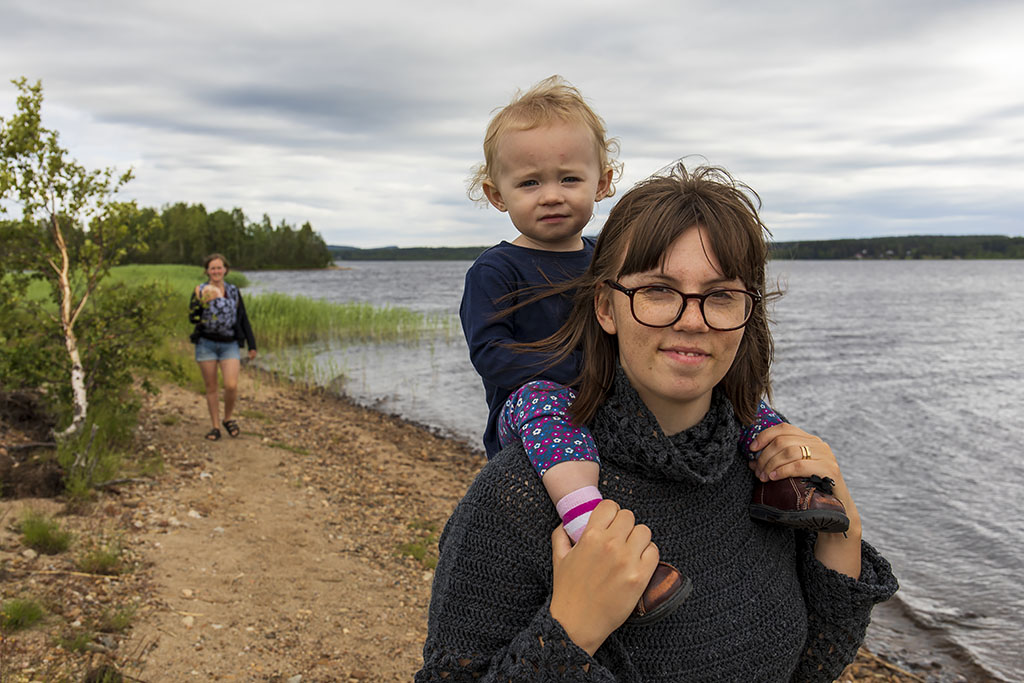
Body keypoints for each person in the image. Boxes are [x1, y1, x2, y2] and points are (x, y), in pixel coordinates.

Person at [419, 163, 897, 681]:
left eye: (720, 295)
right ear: (606, 307)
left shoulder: (773, 482)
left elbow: (810, 666)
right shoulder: (517, 499)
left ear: (747, 311)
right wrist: (571, 630)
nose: (692, 320)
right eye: (658, 291)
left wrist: (841, 533)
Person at [188, 253, 257, 441]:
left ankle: (228, 418)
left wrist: (252, 344)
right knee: (211, 387)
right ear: (207, 271)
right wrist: (203, 304)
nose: (216, 271)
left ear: (226, 270)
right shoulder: (200, 290)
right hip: (206, 344)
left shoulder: (233, 291)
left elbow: (242, 318)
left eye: (219, 268)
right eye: (212, 268)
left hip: (229, 344)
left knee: (231, 385)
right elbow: (192, 318)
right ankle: (215, 426)